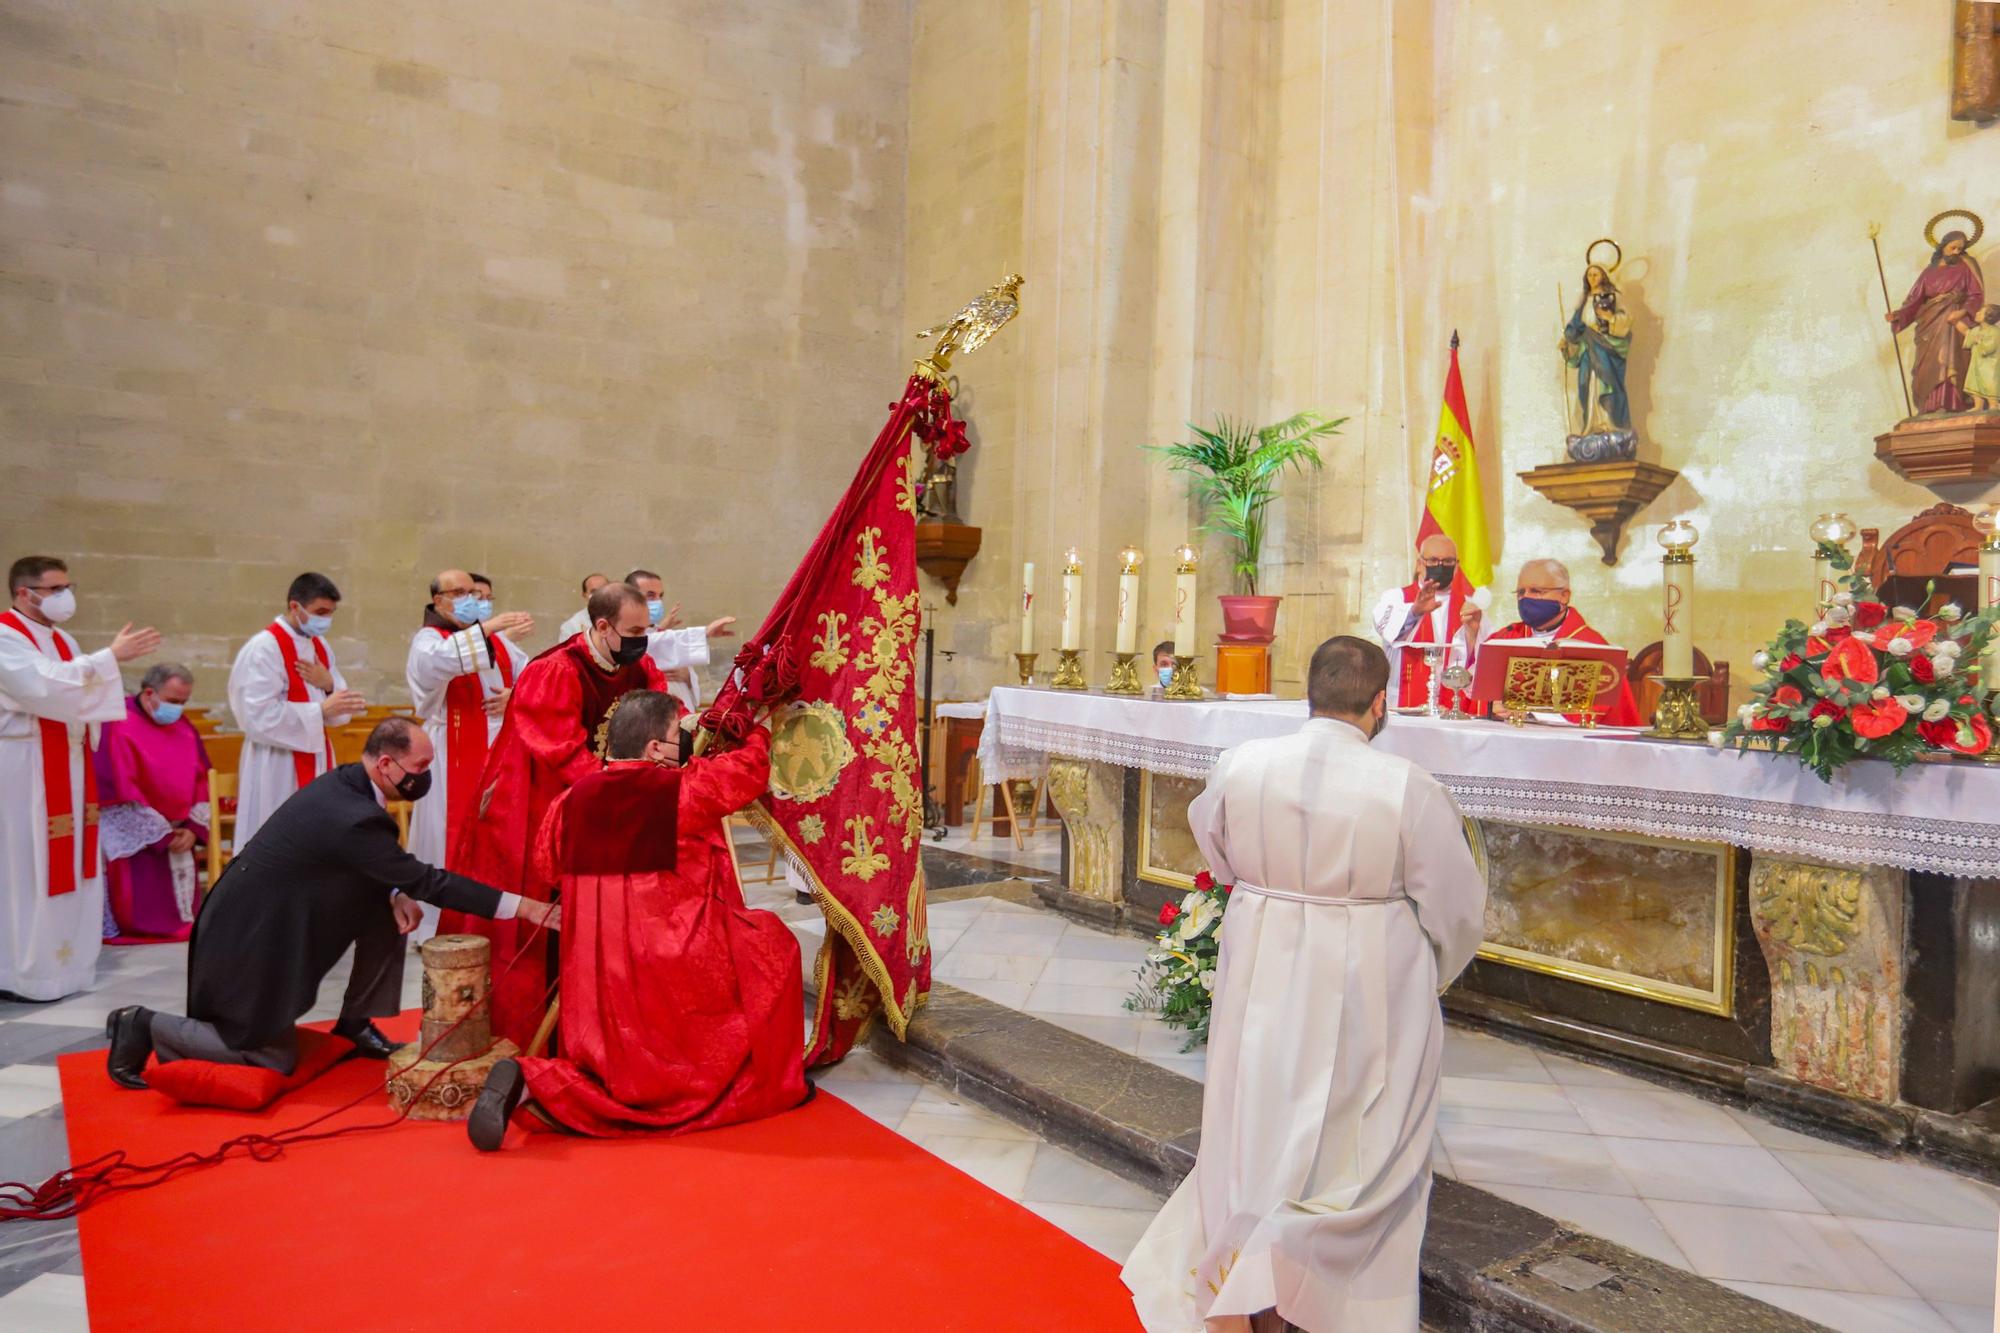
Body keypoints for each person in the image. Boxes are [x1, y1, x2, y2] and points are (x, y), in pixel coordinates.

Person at [1121, 636, 1487, 1332]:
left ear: (1308, 695)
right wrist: (1429, 973)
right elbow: (1456, 906)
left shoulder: (1243, 765)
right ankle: (1309, 1280)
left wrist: (1270, 895)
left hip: (1261, 959)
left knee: (1256, 1113)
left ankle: (1246, 1276)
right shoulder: (1409, 787)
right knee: (1355, 1138)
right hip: (1366, 975)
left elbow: (1216, 845)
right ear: (1381, 703)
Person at [104, 718, 559, 1086]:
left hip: (273, 917)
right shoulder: (354, 816)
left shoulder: (351, 783)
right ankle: (142, 1025)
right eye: (420, 767)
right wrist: (527, 907)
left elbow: (358, 865)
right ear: (386, 763)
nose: (426, 778)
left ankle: (355, 1023)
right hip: (246, 938)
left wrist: (393, 892)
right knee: (268, 1057)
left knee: (391, 914)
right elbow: (429, 881)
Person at [468, 692, 805, 1149]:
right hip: (671, 958)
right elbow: (748, 771)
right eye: (676, 736)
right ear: (653, 749)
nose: (683, 743)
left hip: (595, 969)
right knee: (774, 948)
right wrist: (758, 727)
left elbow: (548, 867)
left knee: (609, 1057)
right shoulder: (682, 791)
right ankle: (735, 1079)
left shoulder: (569, 803)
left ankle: (534, 1080)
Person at [438, 581, 674, 1048]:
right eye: (633, 631)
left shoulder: (639, 665)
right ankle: (539, 1031)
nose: (641, 641)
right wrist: (624, 791)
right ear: (602, 626)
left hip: (608, 800)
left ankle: (608, 1022)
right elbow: (561, 750)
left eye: (645, 630)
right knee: (546, 920)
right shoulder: (554, 671)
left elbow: (665, 712)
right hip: (542, 806)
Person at [0, 557, 160, 1000]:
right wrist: (109, 658)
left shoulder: (64, 639)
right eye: (54, 589)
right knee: (26, 865)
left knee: (71, 862)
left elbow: (80, 693)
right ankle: (20, 971)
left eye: (67, 586)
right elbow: (42, 686)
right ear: (23, 593)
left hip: (67, 765)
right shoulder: (4, 636)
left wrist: (102, 662)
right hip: (23, 768)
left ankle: (64, 966)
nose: (64, 596)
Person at [404, 569, 534, 940]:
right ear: (439, 600)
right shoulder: (429, 639)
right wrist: (488, 628)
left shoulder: (498, 643)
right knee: (448, 831)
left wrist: (516, 693)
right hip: (451, 752)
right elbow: (437, 664)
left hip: (499, 752)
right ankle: (437, 923)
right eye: (461, 592)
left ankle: (490, 913)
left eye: (479, 594)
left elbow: (532, 675)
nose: (473, 599)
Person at [226, 573, 366, 847]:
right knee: (277, 838)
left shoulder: (319, 646)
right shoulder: (264, 648)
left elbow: (340, 710)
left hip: (316, 754)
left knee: (315, 837)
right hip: (276, 761)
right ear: (295, 607)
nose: (326, 620)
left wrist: (329, 684)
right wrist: (318, 711)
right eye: (320, 612)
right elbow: (255, 716)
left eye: (331, 613)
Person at [95, 662, 210, 944]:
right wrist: (161, 834)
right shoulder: (117, 724)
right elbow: (118, 788)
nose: (178, 709)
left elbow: (202, 777)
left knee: (183, 919)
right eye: (173, 701)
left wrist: (193, 827)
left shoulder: (182, 725)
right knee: (140, 909)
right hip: (142, 833)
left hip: (179, 830)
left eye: (184, 702)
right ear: (149, 694)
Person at [1478, 558, 1641, 725]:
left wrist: (1529, 712)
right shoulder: (1506, 638)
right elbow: (1473, 692)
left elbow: (1593, 712)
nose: (1525, 598)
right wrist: (1471, 632)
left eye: (1536, 591)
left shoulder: (1590, 646)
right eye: (1520, 592)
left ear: (1564, 596)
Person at [1370, 533, 1484, 712]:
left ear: (1456, 566)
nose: (1440, 566)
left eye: (1447, 562)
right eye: (1432, 560)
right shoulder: (1396, 598)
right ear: (1419, 564)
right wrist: (1415, 611)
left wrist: (1472, 634)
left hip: (1451, 709)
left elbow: (1480, 664)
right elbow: (1388, 631)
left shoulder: (1471, 607)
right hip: (1402, 706)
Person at [1888, 229, 1986, 415]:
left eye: (1960, 248)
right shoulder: (1928, 272)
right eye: (1953, 247)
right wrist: (1899, 315)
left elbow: (1976, 294)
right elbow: (1915, 300)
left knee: (1952, 358)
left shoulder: (1966, 267)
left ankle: (1954, 402)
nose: (1957, 251)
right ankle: (1931, 404)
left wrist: (1964, 311)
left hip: (1954, 319)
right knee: (1929, 364)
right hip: (1930, 322)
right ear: (1943, 246)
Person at [625, 566, 736, 714]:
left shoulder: (662, 634)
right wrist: (705, 632)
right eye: (651, 595)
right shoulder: (625, 635)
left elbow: (665, 643)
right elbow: (651, 643)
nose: (657, 602)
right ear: (629, 597)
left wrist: (687, 677)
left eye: (660, 596)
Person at [1962, 304, 2000, 411]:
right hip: (1976, 363)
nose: (1977, 313)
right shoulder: (1975, 330)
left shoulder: (1995, 332)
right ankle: (1978, 405)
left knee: (1989, 384)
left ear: (1989, 316)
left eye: (1980, 312)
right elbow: (1967, 344)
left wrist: (1979, 341)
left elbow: (1988, 349)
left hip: (1990, 365)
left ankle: (1993, 405)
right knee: (1975, 382)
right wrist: (1971, 338)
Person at [555, 572, 610, 642]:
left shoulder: (622, 618)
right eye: (593, 591)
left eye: (603, 589)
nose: (599, 594)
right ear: (584, 595)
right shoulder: (570, 627)